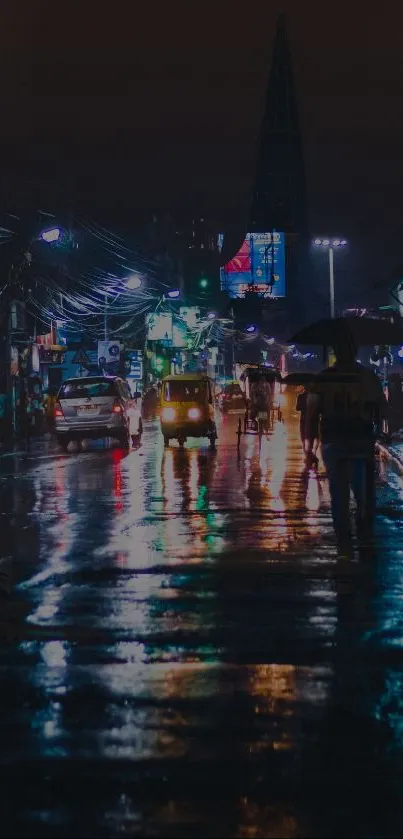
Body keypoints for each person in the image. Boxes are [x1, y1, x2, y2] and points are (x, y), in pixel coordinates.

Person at [305, 334, 387, 553]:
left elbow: (311, 416)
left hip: (333, 443)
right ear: (355, 352)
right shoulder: (368, 377)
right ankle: (364, 533)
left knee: (339, 493)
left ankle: (343, 540)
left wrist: (308, 450)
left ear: (335, 352)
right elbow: (381, 409)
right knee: (364, 494)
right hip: (361, 442)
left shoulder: (322, 378)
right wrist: (378, 429)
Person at [296, 386, 319, 466]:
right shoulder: (317, 396)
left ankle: (308, 456)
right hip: (314, 420)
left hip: (304, 420)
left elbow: (297, 408)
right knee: (311, 437)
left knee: (304, 437)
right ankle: (311, 455)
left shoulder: (301, 396)